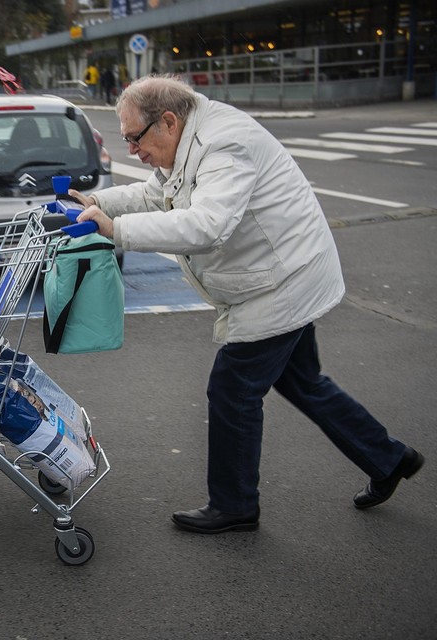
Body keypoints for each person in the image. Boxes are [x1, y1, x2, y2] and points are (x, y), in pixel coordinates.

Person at [70, 74, 424, 534]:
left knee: (233, 388)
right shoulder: (189, 140)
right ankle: (390, 458)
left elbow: (207, 225)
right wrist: (98, 200)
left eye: (135, 139)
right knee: (303, 382)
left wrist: (117, 231)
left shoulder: (224, 145)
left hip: (282, 282)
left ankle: (234, 504)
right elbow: (156, 194)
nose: (133, 151)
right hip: (279, 274)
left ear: (169, 121)